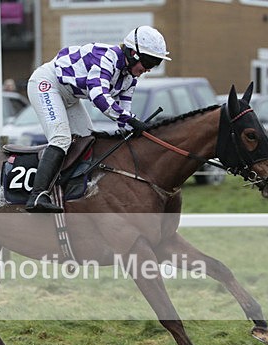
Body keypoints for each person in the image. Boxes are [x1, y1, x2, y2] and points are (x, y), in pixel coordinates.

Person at [25, 25, 170, 213]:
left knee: (87, 141)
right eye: (149, 63)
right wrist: (131, 120)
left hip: (70, 97)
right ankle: (37, 195)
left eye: (155, 64)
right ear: (133, 53)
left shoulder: (130, 78)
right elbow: (99, 96)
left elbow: (123, 112)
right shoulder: (107, 58)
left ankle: (66, 190)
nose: (149, 69)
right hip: (46, 84)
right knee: (61, 139)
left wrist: (135, 128)